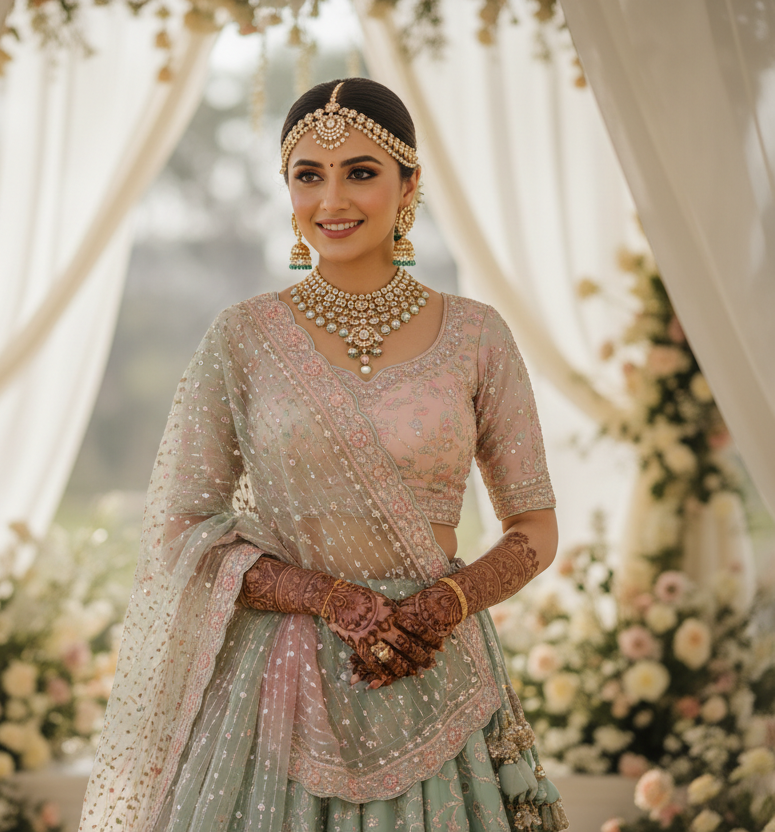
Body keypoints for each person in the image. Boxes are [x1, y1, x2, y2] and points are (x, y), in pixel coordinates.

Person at [78, 78, 569, 832]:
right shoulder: (242, 339)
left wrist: (441, 608)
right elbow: (185, 532)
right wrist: (334, 600)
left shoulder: (476, 335)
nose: (331, 200)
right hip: (278, 684)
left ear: (409, 185)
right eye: (308, 175)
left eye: (361, 173)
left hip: (435, 665)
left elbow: (534, 525)